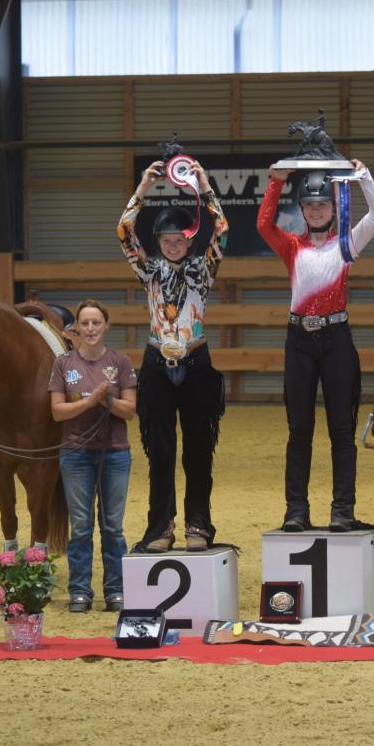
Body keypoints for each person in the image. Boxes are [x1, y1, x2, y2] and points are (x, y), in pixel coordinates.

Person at [258, 161, 374, 531]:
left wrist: (364, 176)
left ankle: (342, 510)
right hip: (299, 340)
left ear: (333, 208)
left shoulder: (347, 244)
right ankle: (296, 510)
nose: (316, 210)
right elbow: (264, 225)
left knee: (341, 430)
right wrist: (275, 183)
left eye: (323, 205)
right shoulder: (291, 246)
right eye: (310, 205)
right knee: (299, 429)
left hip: (336, 340)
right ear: (302, 209)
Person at [118, 159, 228, 553]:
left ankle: (198, 524)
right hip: (157, 365)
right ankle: (160, 527)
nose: (172, 244)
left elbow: (222, 229)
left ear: (190, 239)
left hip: (196, 364)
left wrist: (204, 184)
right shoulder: (148, 270)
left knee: (198, 449)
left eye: (179, 238)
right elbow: (124, 231)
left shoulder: (204, 269)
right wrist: (143, 189)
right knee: (160, 452)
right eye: (166, 239)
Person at [48, 301, 137, 612]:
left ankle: (116, 590)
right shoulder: (63, 364)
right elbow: (58, 412)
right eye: (84, 323)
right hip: (75, 454)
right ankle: (80, 591)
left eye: (96, 322)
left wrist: (106, 399)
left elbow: (130, 410)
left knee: (113, 526)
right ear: (76, 327)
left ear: (106, 326)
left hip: (115, 453)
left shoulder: (121, 362)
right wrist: (90, 402)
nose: (90, 329)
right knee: (81, 526)